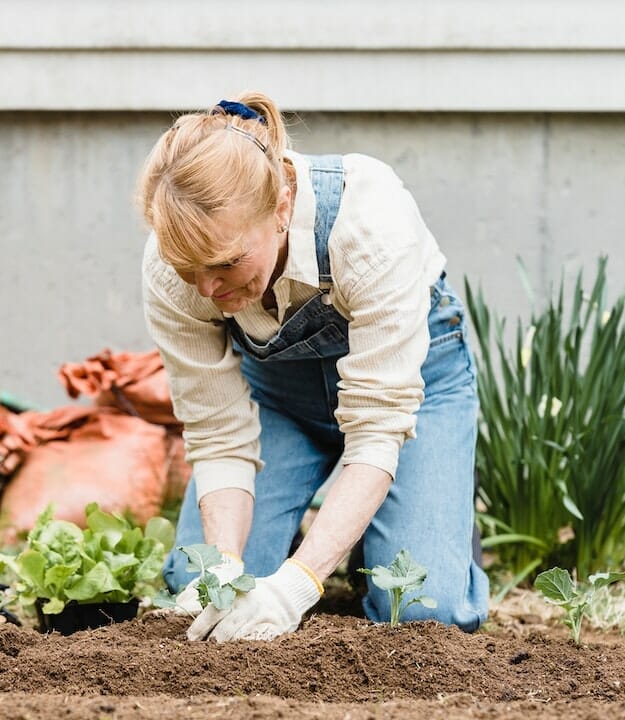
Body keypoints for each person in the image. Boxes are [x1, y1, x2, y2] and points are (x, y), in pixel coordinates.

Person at [136, 91, 490, 642]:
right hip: (281, 403)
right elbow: (218, 436)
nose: (208, 289)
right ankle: (344, 529)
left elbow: (376, 431)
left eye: (227, 263)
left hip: (413, 397)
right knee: (199, 584)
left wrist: (297, 585)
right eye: (190, 269)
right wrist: (227, 570)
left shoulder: (369, 225)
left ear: (279, 208)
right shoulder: (172, 267)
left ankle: (406, 523)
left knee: (422, 611)